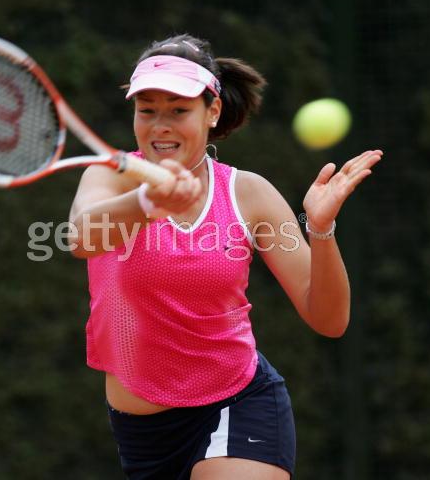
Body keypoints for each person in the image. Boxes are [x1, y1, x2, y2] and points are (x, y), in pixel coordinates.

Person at [68, 34, 382, 480]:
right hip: (142, 434)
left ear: (212, 111)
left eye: (179, 110)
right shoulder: (108, 177)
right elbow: (82, 236)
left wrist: (322, 229)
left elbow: (329, 318)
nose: (161, 125)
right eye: (148, 109)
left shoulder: (248, 193)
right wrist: (149, 203)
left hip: (238, 403)